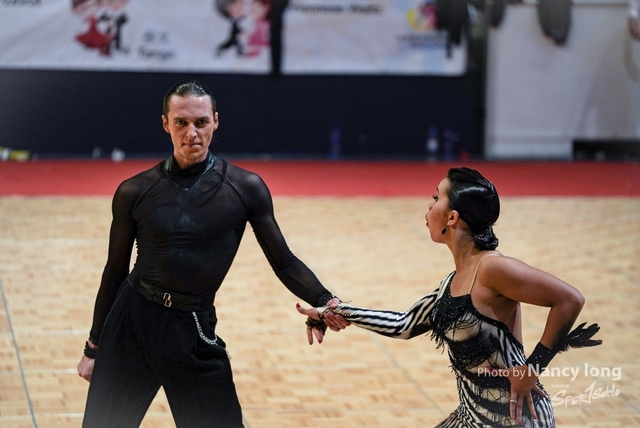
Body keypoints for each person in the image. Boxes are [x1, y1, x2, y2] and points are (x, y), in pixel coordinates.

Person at [76, 79, 348, 428]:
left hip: (192, 329)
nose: (192, 133)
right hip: (132, 324)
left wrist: (325, 300)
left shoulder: (245, 188)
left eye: (201, 122)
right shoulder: (134, 191)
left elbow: (283, 260)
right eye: (181, 122)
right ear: (166, 124)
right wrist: (94, 346)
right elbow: (115, 271)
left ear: (215, 122)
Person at [298, 167, 601, 427]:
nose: (429, 206)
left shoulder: (492, 268)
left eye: (435, 198)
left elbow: (569, 299)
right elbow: (403, 325)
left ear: (452, 217)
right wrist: (332, 311)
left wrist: (533, 368)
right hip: (472, 417)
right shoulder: (451, 284)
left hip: (515, 419)